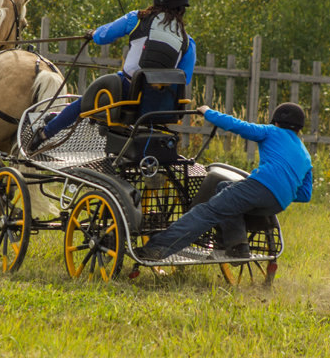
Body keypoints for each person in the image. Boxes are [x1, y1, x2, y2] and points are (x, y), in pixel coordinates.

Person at [28, 0, 197, 151]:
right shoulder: (187, 42)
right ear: (182, 9)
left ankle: (44, 134)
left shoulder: (137, 19)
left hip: (127, 92)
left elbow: (104, 36)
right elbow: (184, 77)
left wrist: (93, 34)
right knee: (98, 99)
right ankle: (58, 117)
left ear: (156, 2)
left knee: (85, 102)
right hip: (159, 105)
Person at [134, 102, 313, 261]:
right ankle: (237, 246)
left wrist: (208, 112)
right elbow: (305, 195)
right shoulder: (305, 154)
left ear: (276, 122)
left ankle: (157, 248)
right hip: (278, 203)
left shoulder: (272, 131)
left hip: (259, 187)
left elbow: (238, 126)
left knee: (206, 212)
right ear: (299, 129)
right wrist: (281, 189)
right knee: (224, 189)